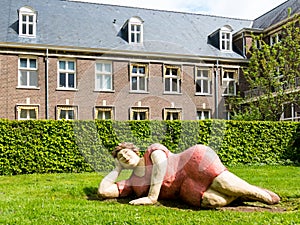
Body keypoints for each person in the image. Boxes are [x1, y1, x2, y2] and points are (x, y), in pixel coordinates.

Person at [98, 142, 280, 208]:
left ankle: (257, 193)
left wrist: (152, 197)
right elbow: (104, 192)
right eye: (121, 157)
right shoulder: (132, 183)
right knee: (214, 201)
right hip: (184, 190)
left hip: (192, 163)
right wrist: (117, 169)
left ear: (136, 151)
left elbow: (161, 165)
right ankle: (243, 194)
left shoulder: (151, 152)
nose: (125, 156)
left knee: (225, 186)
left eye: (127, 152)